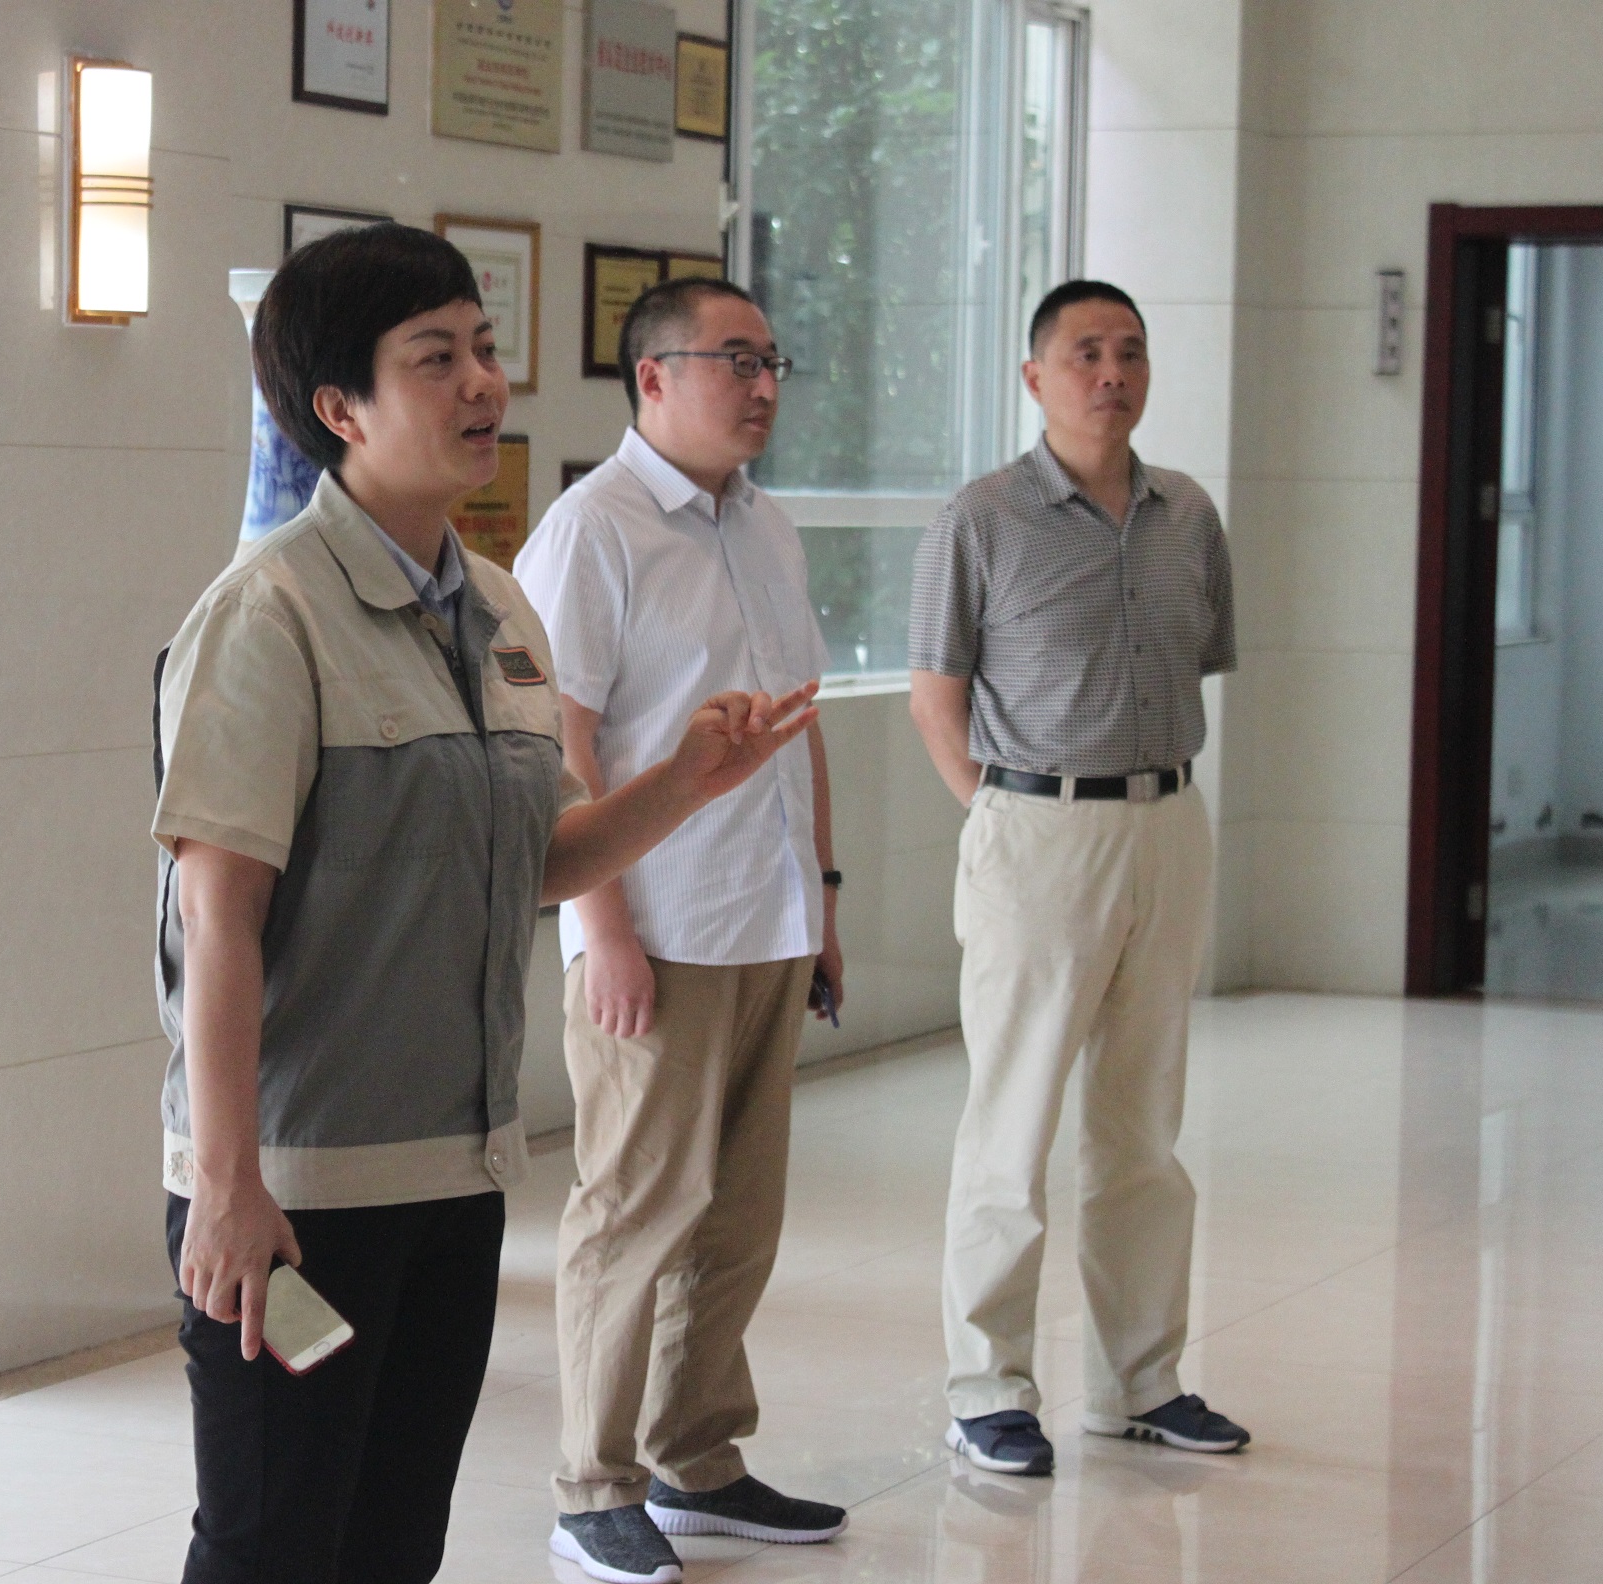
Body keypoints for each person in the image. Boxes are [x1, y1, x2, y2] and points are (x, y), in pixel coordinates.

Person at [150, 224, 821, 1584]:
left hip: (455, 1178)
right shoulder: (269, 614)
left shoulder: (499, 608)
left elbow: (538, 865)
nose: (481, 386)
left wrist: (684, 782)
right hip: (304, 1192)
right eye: (434, 359)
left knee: (396, 1542)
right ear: (341, 408)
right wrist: (227, 1186)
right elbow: (216, 921)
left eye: (485, 348)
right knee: (274, 1545)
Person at [514, 276, 847, 1584]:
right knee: (634, 1212)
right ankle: (591, 1488)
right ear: (653, 378)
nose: (763, 386)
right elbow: (561, 745)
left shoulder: (766, 526)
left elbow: (797, 726)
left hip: (766, 915)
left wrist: (824, 899)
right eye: (735, 362)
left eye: (772, 363)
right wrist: (601, 927)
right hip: (656, 927)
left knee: (737, 1218)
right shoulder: (592, 531)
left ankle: (696, 1459)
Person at [906, 279, 1249, 1478]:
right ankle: (988, 1390)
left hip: (1169, 824)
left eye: (1131, 353)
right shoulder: (982, 517)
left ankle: (1140, 1382)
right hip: (1036, 831)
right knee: (1012, 1126)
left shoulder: (1188, 513)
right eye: (1087, 352)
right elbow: (936, 698)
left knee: (1144, 1126)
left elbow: (1203, 660)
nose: (1113, 373)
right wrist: (1003, 815)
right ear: (1035, 377)